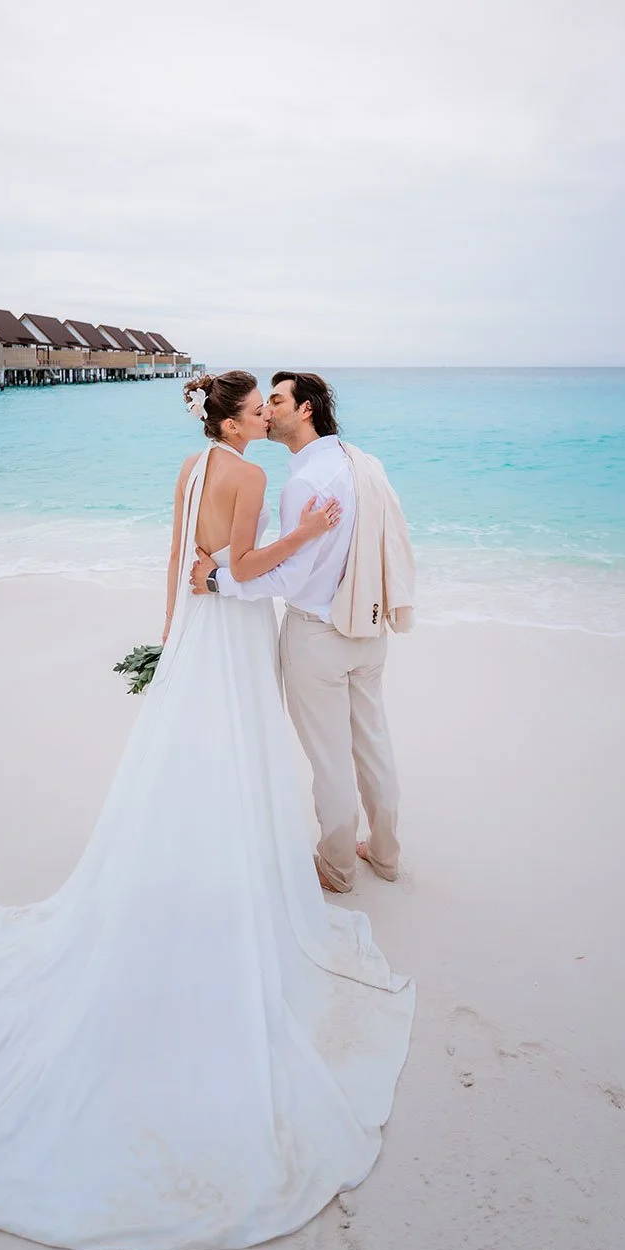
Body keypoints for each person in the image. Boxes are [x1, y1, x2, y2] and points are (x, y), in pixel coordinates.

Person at [0, 371, 414, 1250]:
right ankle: (239, 864)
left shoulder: (190, 468)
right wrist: (308, 533)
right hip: (234, 631)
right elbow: (241, 569)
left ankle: (196, 857)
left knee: (186, 754)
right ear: (238, 420)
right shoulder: (248, 478)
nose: (263, 418)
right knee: (237, 754)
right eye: (256, 409)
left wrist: (171, 640)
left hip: (196, 633)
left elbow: (181, 564)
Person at [191, 372, 414, 896]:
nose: (267, 411)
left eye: (276, 400)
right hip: (368, 624)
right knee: (373, 744)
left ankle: (337, 867)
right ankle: (384, 852)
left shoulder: (304, 484)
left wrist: (220, 580)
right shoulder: (364, 465)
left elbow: (288, 577)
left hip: (318, 635)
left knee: (329, 757)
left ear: (306, 409)